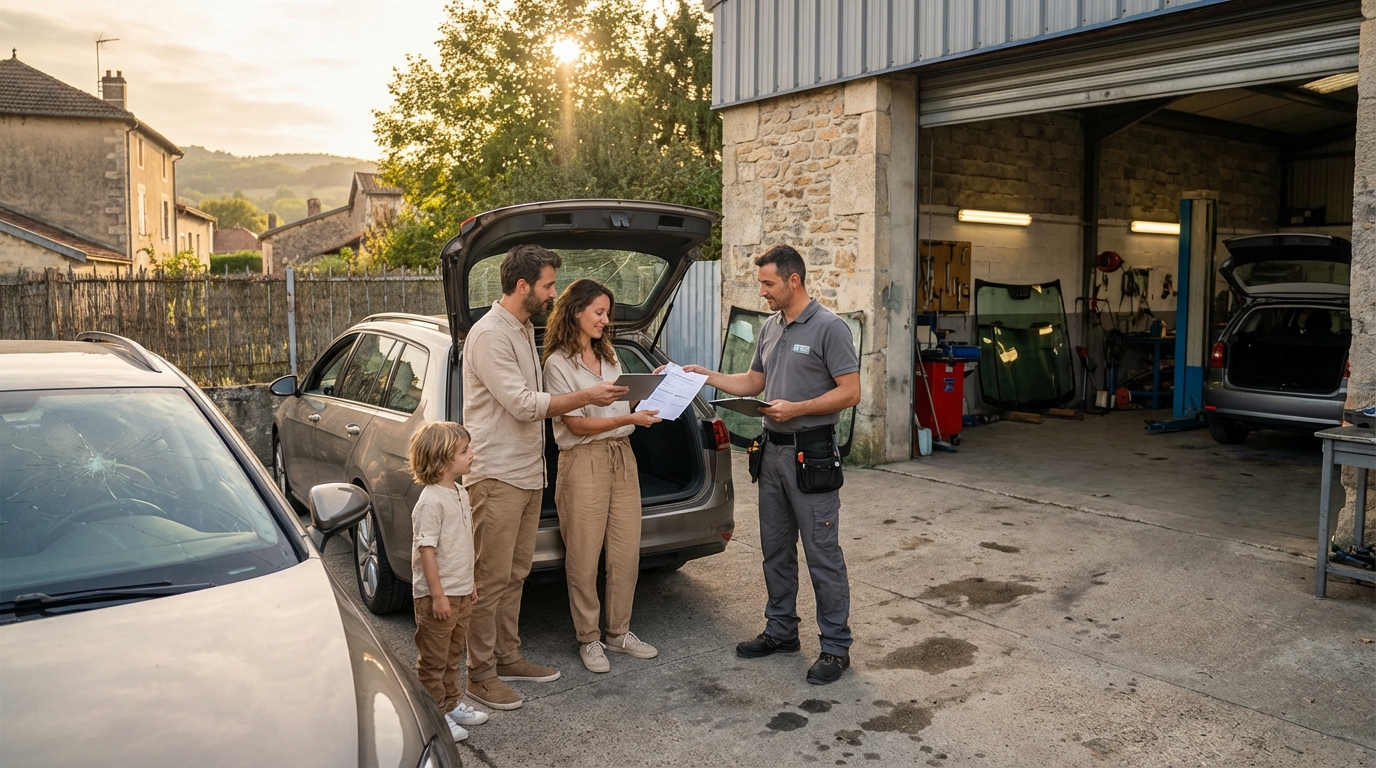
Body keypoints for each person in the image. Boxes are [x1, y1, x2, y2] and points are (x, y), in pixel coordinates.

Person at [683, 244, 861, 685]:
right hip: (773, 451)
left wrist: (797, 409)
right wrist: (705, 375)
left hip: (812, 452)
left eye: (768, 283)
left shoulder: (829, 327)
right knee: (775, 550)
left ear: (793, 280)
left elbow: (851, 391)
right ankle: (782, 632)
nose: (761, 291)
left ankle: (836, 648)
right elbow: (753, 382)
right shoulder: (770, 327)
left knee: (822, 555)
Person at [462, 244, 629, 710]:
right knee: (490, 578)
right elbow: (521, 403)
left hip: (527, 472)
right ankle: (480, 675)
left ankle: (508, 655)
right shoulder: (491, 335)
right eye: (549, 285)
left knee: (516, 573)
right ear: (523, 287)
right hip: (496, 474)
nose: (554, 294)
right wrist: (587, 397)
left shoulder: (521, 329)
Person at [542, 279, 663, 674]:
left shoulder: (609, 355)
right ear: (576, 311)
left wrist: (656, 386)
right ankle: (589, 639)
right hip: (583, 461)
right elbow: (575, 425)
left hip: (621, 456)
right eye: (598, 312)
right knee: (583, 555)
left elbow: (624, 406)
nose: (605, 320)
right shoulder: (557, 364)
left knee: (626, 551)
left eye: (607, 312)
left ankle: (619, 632)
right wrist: (630, 416)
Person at [407, 421, 488, 742]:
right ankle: (434, 713)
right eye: (464, 451)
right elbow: (426, 551)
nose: (471, 454)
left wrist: (469, 583)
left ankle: (451, 703)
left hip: (460, 592)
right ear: (441, 461)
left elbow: (460, 545)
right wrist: (438, 596)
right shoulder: (430, 502)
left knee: (453, 652)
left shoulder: (459, 492)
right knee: (434, 658)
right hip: (436, 597)